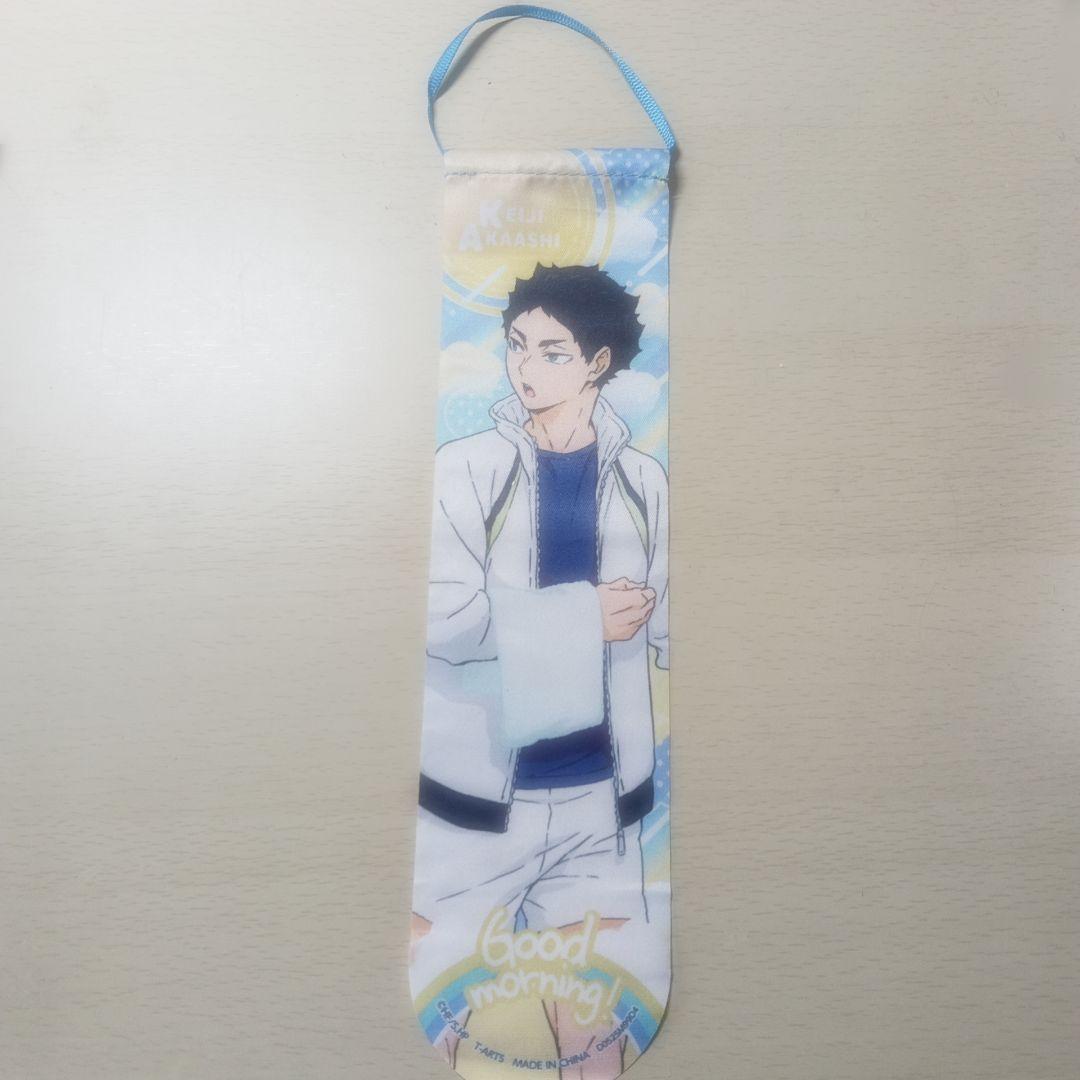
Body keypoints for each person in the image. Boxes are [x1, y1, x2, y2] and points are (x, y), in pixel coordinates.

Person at [409, 262, 670, 1078]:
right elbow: (443, 621)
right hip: (477, 806)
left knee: (598, 1035)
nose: (526, 367)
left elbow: (667, 627)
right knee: (445, 1017)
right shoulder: (467, 469)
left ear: (597, 363)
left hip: (600, 807)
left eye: (552, 352)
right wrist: (583, 617)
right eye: (516, 345)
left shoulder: (643, 482)